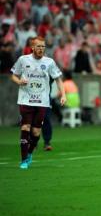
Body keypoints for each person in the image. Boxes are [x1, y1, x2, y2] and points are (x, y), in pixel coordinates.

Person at [11, 36, 66, 169]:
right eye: (38, 46)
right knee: (25, 128)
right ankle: (23, 160)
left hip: (42, 101)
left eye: (43, 46)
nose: (41, 49)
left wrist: (63, 95)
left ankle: (30, 153)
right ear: (32, 47)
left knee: (36, 133)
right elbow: (14, 75)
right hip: (25, 99)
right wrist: (19, 81)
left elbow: (58, 79)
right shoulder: (23, 60)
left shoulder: (49, 62)